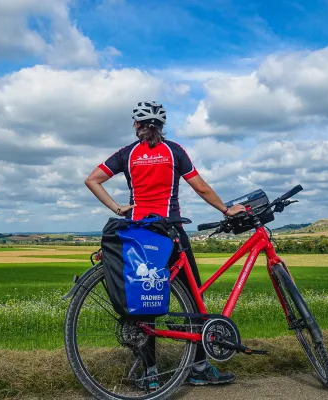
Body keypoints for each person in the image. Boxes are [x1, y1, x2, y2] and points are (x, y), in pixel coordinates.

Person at [84, 100, 246, 390]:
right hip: (171, 232)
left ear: (137, 126)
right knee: (195, 300)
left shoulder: (126, 154)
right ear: (161, 126)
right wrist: (226, 209)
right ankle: (198, 367)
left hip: (138, 234)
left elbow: (92, 180)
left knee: (144, 302)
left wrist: (118, 207)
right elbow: (201, 187)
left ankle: (151, 374)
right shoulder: (174, 151)